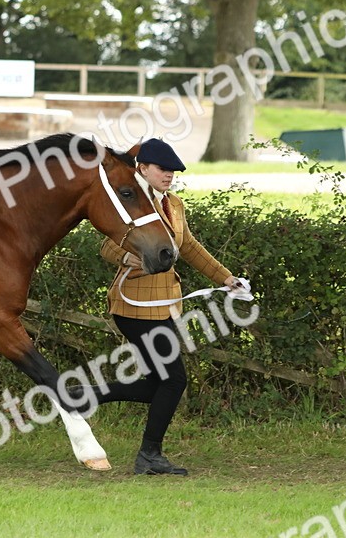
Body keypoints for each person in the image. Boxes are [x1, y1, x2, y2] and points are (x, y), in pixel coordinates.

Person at [97, 137, 242, 476]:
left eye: (173, 170)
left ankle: (84, 396)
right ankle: (149, 455)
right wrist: (130, 258)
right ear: (142, 169)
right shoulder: (132, 203)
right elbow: (107, 246)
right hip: (134, 305)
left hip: (164, 305)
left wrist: (226, 279)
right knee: (174, 380)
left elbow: (188, 246)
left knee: (159, 383)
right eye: (163, 169)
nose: (170, 175)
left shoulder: (173, 205)